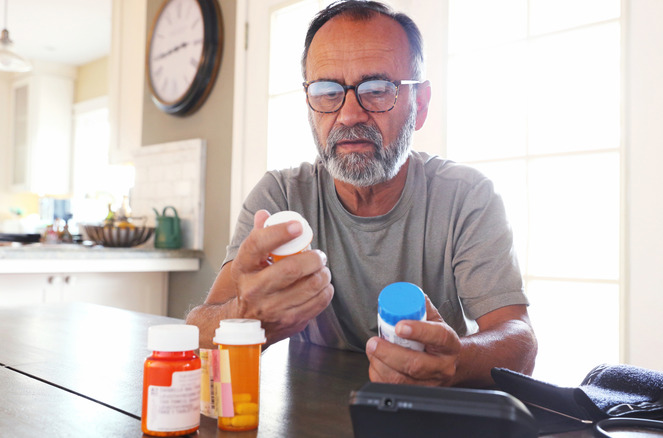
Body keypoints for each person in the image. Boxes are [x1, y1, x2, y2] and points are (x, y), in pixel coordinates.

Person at [186, 0, 537, 388]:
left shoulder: (467, 197)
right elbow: (198, 335)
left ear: (418, 105)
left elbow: (519, 342)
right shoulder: (280, 198)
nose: (349, 114)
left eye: (377, 89)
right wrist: (246, 313)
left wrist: (455, 360)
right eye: (326, 91)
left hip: (430, 415)